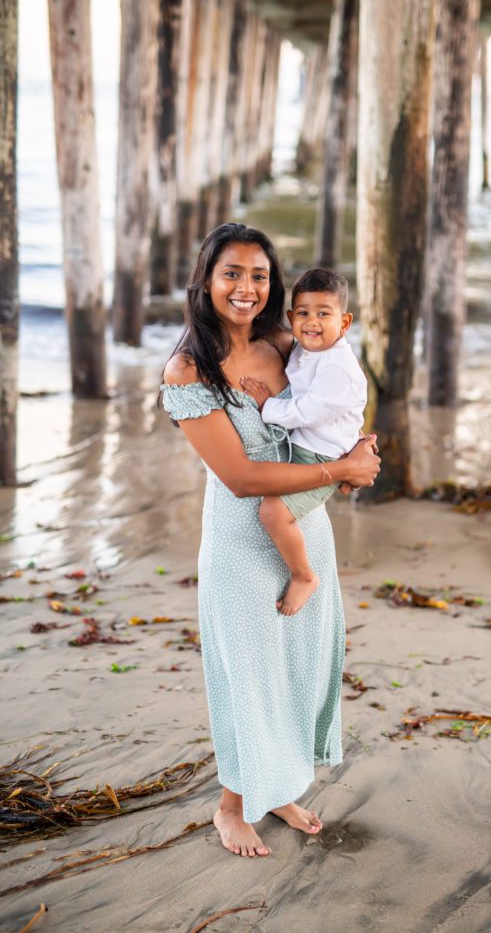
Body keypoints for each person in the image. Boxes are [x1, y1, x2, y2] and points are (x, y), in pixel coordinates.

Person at [160, 223, 380, 859]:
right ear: (206, 279)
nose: (246, 288)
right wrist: (339, 471)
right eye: (232, 273)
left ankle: (276, 784)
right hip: (241, 537)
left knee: (299, 668)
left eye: (259, 275)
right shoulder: (189, 369)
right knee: (248, 674)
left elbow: (338, 401)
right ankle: (232, 805)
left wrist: (360, 448)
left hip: (304, 525)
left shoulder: (286, 342)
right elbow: (240, 476)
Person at [240, 268, 367, 617]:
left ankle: (303, 576)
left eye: (324, 314)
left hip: (320, 454)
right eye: (304, 314)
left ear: (344, 323)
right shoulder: (304, 347)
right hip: (311, 446)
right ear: (291, 317)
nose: (312, 322)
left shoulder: (337, 367)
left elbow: (307, 411)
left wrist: (268, 406)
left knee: (273, 512)